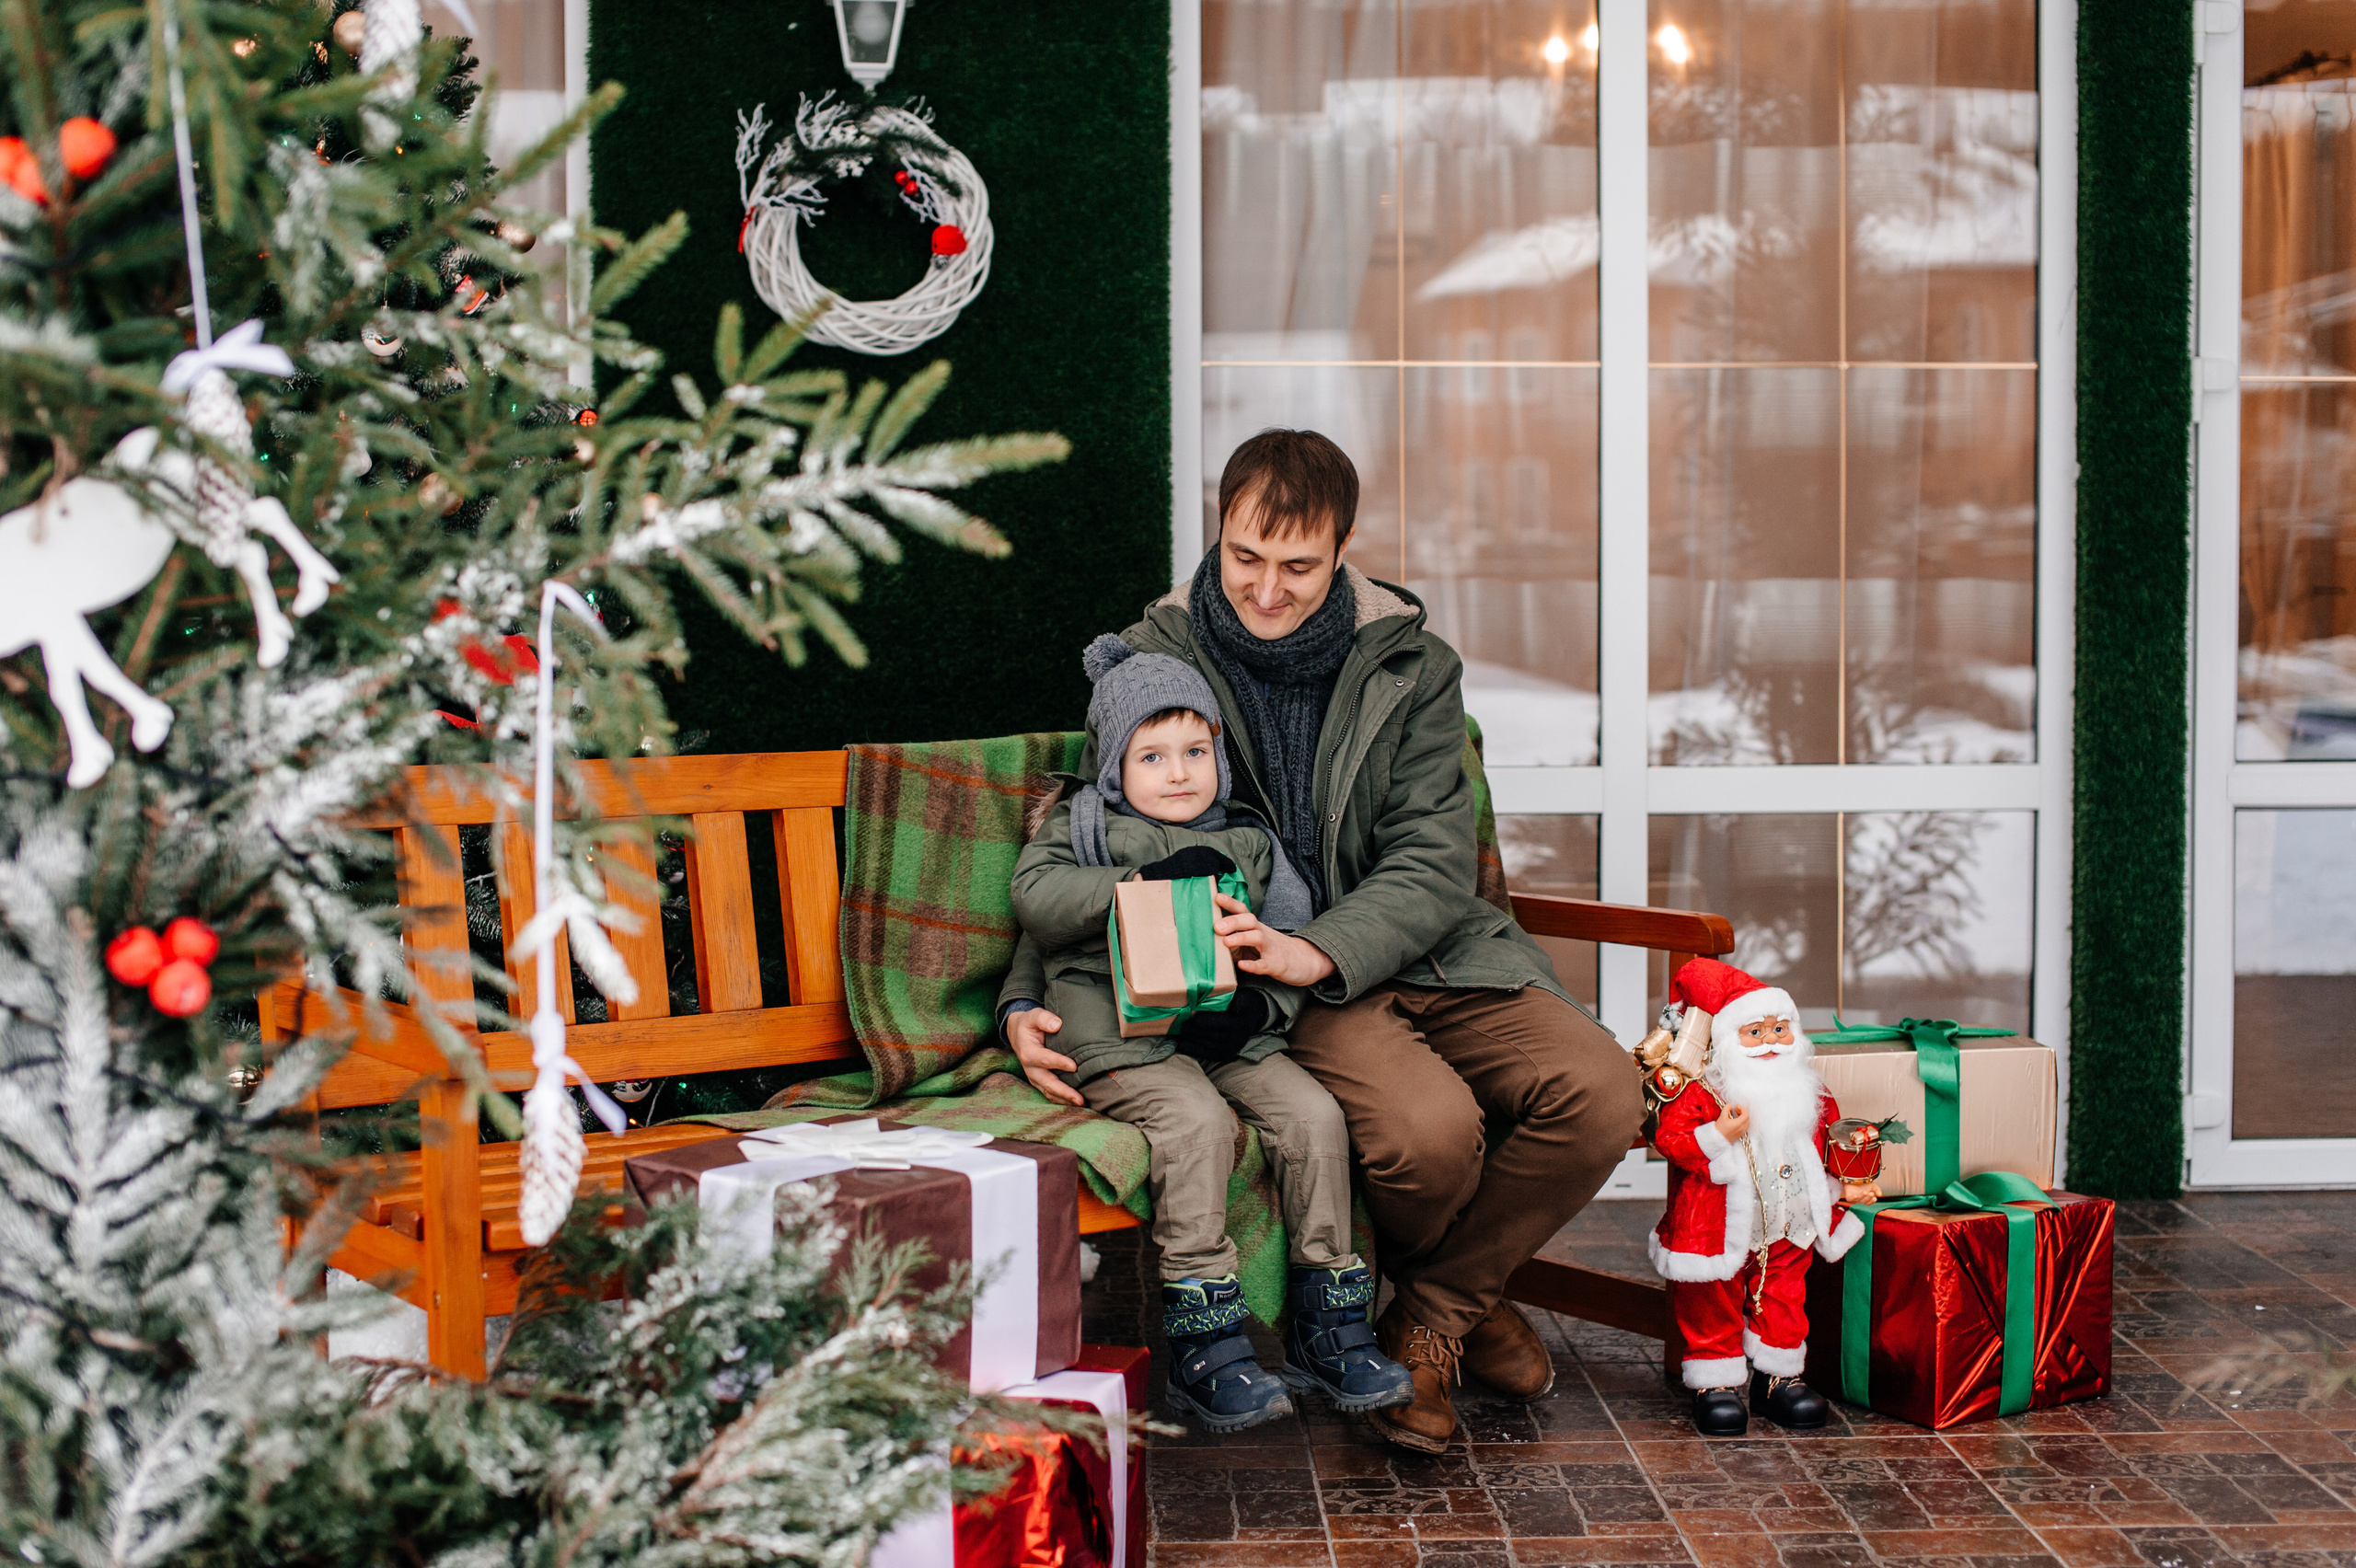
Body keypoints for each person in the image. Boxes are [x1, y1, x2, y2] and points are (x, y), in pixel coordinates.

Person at [999, 428, 1647, 1453]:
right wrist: (1022, 1000)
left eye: (1297, 566)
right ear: (1217, 535)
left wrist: (1324, 946)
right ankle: (1460, 1312)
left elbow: (1433, 858)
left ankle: (1433, 1313)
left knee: (1604, 1091)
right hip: (1279, 983)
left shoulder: (1411, 664)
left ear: (1343, 550)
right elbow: (1091, 836)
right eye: (1244, 557)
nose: (1265, 588)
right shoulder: (1156, 660)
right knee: (1427, 1139)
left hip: (1422, 949)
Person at [1010, 634, 1414, 1432]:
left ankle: (1328, 1319)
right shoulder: (1083, 831)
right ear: (1115, 766)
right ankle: (1205, 1337)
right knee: (1194, 1123)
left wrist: (1266, 1012)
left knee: (1314, 1117)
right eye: (1152, 756)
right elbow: (1038, 905)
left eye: (1196, 750)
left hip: (1231, 1032)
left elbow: (1289, 945)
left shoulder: (1252, 844)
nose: (1180, 772)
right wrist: (1134, 885)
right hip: (1121, 1041)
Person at [1646, 958, 1875, 1437]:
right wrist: (1717, 1132)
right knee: (1713, 1299)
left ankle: (1778, 1378)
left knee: (1785, 1296)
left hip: (1789, 1221)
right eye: (1755, 1032)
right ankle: (1716, 1383)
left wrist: (1847, 1179)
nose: (1771, 1040)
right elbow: (1671, 1138)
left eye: (1779, 1028)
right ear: (1729, 1039)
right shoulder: (1703, 1089)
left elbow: (1830, 1133)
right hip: (1718, 1224)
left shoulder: (1807, 1087)